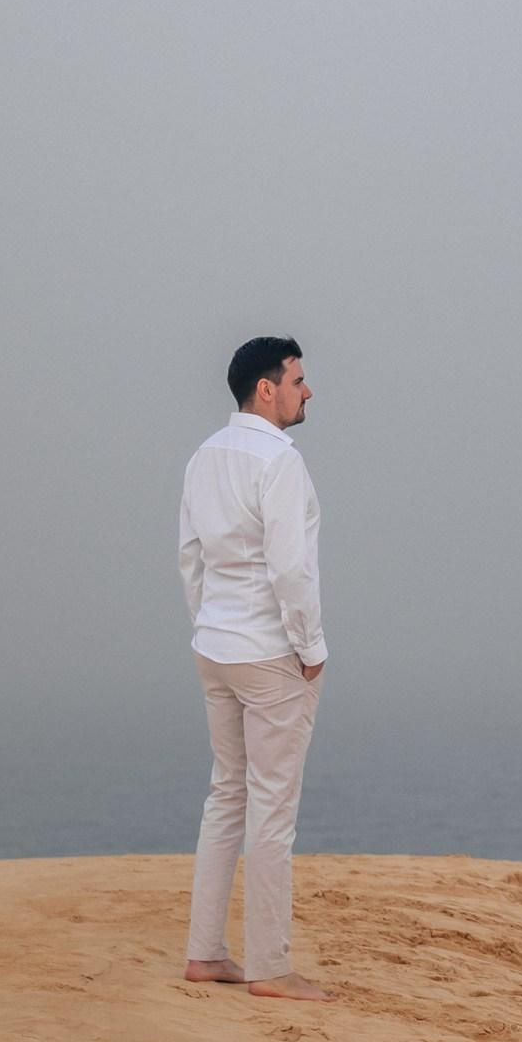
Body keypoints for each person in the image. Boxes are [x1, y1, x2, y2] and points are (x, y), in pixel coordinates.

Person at [178, 336, 332, 1001]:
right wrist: (311, 645)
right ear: (265, 388)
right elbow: (291, 567)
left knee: (228, 795)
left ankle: (206, 951)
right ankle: (270, 964)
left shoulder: (204, 456)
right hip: (269, 652)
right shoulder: (280, 462)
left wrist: (208, 622)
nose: (308, 390)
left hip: (215, 645)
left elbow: (190, 557)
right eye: (298, 379)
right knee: (271, 807)